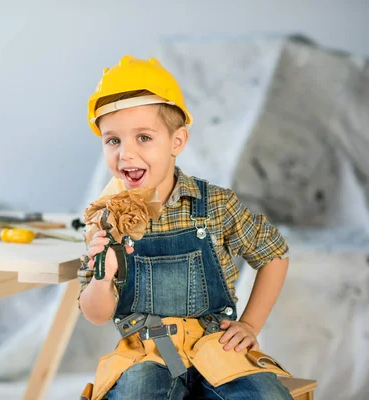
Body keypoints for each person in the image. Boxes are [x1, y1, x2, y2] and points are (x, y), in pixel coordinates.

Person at [78, 55, 293, 400]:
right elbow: (96, 314)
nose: (126, 154)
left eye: (143, 137)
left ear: (177, 141)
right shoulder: (104, 219)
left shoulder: (215, 204)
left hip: (215, 345)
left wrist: (250, 325)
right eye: (113, 140)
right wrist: (103, 276)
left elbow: (274, 255)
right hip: (146, 354)